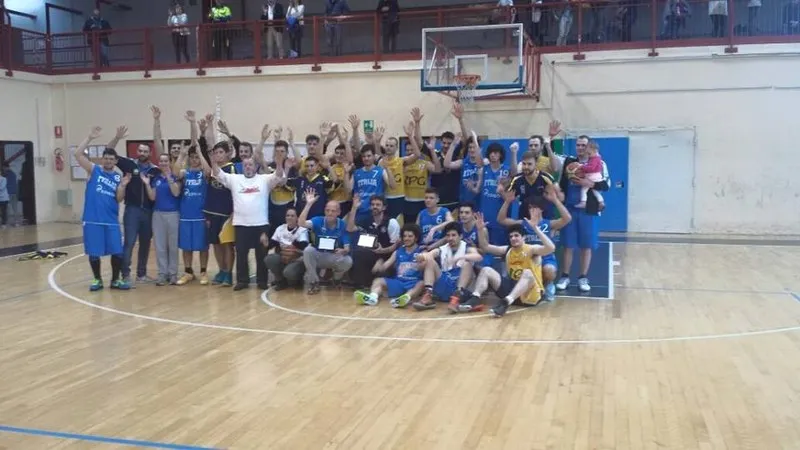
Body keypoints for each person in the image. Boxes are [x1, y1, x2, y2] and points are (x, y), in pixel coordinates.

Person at [212, 155, 287, 291]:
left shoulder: (264, 179)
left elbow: (278, 176)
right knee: (241, 254)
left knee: (261, 254)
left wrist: (279, 162)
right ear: (242, 167)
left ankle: (262, 281)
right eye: (245, 165)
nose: (248, 167)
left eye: (250, 165)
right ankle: (242, 281)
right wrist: (213, 160)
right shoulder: (235, 179)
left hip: (261, 224)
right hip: (241, 224)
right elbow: (218, 174)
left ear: (256, 167)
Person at [459, 213, 555, 317]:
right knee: (486, 270)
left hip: (530, 294)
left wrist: (535, 228)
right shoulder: (508, 250)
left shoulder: (532, 249)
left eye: (516, 235)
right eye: (511, 236)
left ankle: (505, 303)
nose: (513, 238)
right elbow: (485, 246)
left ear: (524, 237)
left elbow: (551, 248)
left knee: (527, 273)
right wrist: (480, 230)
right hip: (511, 291)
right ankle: (475, 298)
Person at [74, 127, 131, 291]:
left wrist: (123, 186)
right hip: (92, 219)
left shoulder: (118, 177)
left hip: (111, 219)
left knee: (117, 251)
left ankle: (114, 280)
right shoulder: (94, 170)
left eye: (111, 159)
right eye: (105, 158)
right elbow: (77, 154)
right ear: (102, 159)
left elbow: (119, 199)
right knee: (94, 252)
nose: (108, 161)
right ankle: (97, 279)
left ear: (115, 161)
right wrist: (89, 138)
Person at [552, 137, 610, 292]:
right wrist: (560, 192)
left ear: (589, 147)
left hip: (588, 209)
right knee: (568, 245)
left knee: (586, 245)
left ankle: (583, 277)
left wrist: (590, 184)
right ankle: (565, 276)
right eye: (578, 145)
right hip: (570, 208)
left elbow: (606, 185)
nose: (580, 148)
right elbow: (560, 180)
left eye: (583, 145)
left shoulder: (600, 163)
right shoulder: (569, 162)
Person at [106, 120, 157, 284]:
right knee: (129, 243)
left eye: (145, 151)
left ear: (150, 153)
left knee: (145, 244)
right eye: (140, 150)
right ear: (137, 151)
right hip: (132, 210)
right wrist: (117, 138)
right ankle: (125, 274)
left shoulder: (155, 170)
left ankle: (141, 274)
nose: (142, 153)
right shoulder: (128, 164)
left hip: (148, 212)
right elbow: (109, 152)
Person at [498, 189, 571, 301]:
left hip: (545, 258)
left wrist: (555, 200)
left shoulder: (548, 224)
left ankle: (547, 286)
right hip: (527, 258)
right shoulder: (523, 223)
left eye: (535, 207)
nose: (531, 210)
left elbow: (567, 218)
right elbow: (501, 220)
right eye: (530, 207)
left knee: (549, 270)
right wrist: (507, 202)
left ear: (541, 209)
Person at [412, 221, 482, 311]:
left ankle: (456, 298)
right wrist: (421, 256)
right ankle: (428, 295)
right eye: (448, 235)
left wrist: (461, 257)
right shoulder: (443, 248)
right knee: (429, 261)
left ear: (460, 236)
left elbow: (478, 257)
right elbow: (430, 254)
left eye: (453, 235)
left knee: (467, 264)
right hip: (446, 285)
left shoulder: (467, 247)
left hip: (462, 288)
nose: (450, 238)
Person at [297, 188, 353, 294]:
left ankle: (336, 279)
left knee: (348, 261)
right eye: (327, 210)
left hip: (333, 256)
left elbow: (347, 247)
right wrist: (308, 204)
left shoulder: (342, 224)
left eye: (333, 211)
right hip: (319, 255)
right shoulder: (318, 220)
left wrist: (344, 251)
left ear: (339, 212)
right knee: (308, 250)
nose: (330, 213)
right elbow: (301, 223)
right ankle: (314, 282)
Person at [354, 223, 424, 308]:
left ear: (416, 238)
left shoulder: (422, 251)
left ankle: (405, 298)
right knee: (378, 281)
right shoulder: (398, 252)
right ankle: (372, 298)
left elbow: (424, 267)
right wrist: (380, 264)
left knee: (421, 283)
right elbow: (385, 266)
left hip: (413, 283)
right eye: (404, 236)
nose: (406, 238)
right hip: (399, 282)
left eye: (410, 236)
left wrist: (421, 261)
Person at [174, 131, 212, 286]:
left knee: (203, 246)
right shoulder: (185, 173)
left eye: (197, 157)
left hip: (201, 215)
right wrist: (182, 155)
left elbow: (209, 171)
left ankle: (203, 271)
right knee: (186, 246)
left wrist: (200, 153)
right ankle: (188, 272)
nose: (195, 159)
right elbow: (175, 172)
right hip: (185, 215)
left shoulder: (204, 173)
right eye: (193, 157)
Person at [142, 153, 182, 286]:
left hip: (173, 214)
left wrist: (169, 177)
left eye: (166, 161)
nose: (163, 163)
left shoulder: (176, 177)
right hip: (158, 214)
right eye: (161, 161)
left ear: (170, 162)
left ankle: (173, 274)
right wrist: (147, 184)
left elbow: (176, 193)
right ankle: (162, 274)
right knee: (160, 246)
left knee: (173, 246)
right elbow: (152, 197)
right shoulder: (156, 179)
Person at [347, 194, 400, 289]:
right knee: (358, 253)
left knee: (382, 274)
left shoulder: (392, 222)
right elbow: (350, 228)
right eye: (372, 204)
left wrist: (381, 255)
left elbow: (396, 246)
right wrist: (354, 208)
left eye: (378, 205)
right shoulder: (366, 220)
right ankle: (361, 284)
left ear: (384, 207)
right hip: (371, 254)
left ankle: (376, 283)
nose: (375, 207)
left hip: (388, 256)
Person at [203, 141, 237, 286]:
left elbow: (235, 190)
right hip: (212, 212)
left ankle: (228, 273)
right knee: (216, 244)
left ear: (227, 153)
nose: (218, 155)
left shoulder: (231, 168)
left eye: (221, 152)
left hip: (226, 213)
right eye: (216, 153)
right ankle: (221, 270)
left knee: (227, 244)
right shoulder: (213, 169)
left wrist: (234, 211)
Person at [480, 141, 517, 245]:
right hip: (485, 214)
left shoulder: (506, 170)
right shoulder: (484, 169)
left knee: (500, 247)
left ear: (501, 154)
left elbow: (515, 173)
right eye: (491, 153)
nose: (493, 155)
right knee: (485, 246)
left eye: (496, 153)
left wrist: (513, 153)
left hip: (500, 214)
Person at [264, 207, 309, 290]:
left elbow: (303, 245)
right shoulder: (280, 228)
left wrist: (292, 247)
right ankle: (280, 280)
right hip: (284, 257)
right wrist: (265, 243)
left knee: (289, 273)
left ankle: (298, 279)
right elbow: (272, 244)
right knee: (270, 259)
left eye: (292, 216)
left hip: (297, 259)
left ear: (297, 218)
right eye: (287, 215)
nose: (289, 218)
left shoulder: (302, 230)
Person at [507, 150, 558, 219]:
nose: (526, 167)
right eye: (524, 164)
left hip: (545, 218)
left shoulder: (546, 178)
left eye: (529, 164)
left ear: (536, 164)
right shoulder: (517, 179)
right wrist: (502, 191)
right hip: (525, 219)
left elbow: (558, 196)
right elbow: (508, 197)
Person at [351, 145, 392, 224]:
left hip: (376, 211)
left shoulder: (381, 171)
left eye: (369, 156)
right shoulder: (356, 172)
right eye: (364, 156)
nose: (366, 158)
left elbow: (392, 186)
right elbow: (348, 190)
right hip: (360, 211)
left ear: (374, 156)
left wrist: (387, 168)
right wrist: (346, 173)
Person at [571, 142, 605, 209]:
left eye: (589, 153)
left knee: (584, 190)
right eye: (587, 153)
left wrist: (581, 167)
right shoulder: (596, 158)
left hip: (593, 176)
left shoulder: (595, 158)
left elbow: (591, 168)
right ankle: (601, 202)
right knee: (595, 191)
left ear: (595, 151)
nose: (588, 155)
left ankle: (583, 202)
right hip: (596, 177)